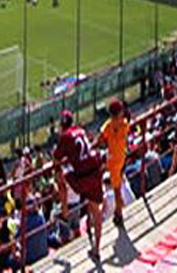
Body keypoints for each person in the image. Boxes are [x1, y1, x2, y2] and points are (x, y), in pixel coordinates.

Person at [53, 111, 103, 259]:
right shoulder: (80, 130)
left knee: (59, 175)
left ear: (62, 125)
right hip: (95, 170)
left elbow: (56, 159)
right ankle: (97, 248)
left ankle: (64, 211)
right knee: (96, 210)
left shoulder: (65, 137)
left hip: (82, 177)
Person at [97, 99, 129, 226]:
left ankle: (119, 213)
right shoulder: (125, 124)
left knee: (116, 190)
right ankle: (118, 212)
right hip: (121, 158)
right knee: (117, 187)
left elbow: (100, 138)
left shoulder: (108, 125)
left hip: (112, 161)